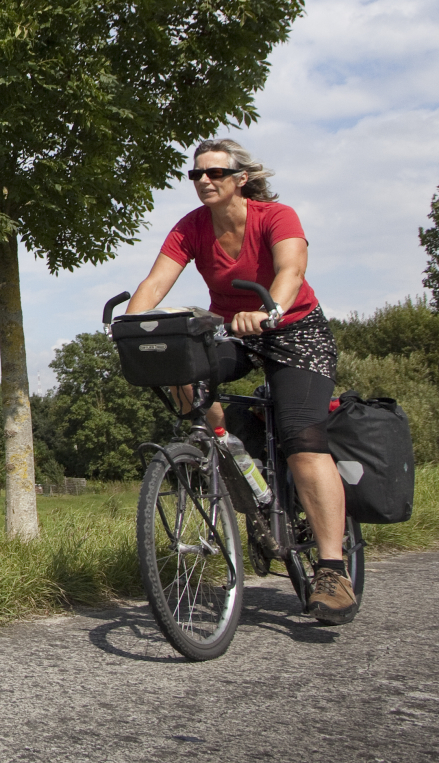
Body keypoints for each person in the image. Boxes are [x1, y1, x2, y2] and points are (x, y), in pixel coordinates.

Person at [125, 138, 354, 625]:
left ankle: (333, 572)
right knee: (179, 367)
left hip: (293, 330)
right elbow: (154, 283)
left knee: (303, 438)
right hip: (233, 330)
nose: (204, 181)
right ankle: (228, 454)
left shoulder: (276, 216)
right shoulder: (190, 228)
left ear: (240, 178)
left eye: (215, 173)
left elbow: (291, 269)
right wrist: (131, 327)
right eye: (197, 174)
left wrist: (268, 308)